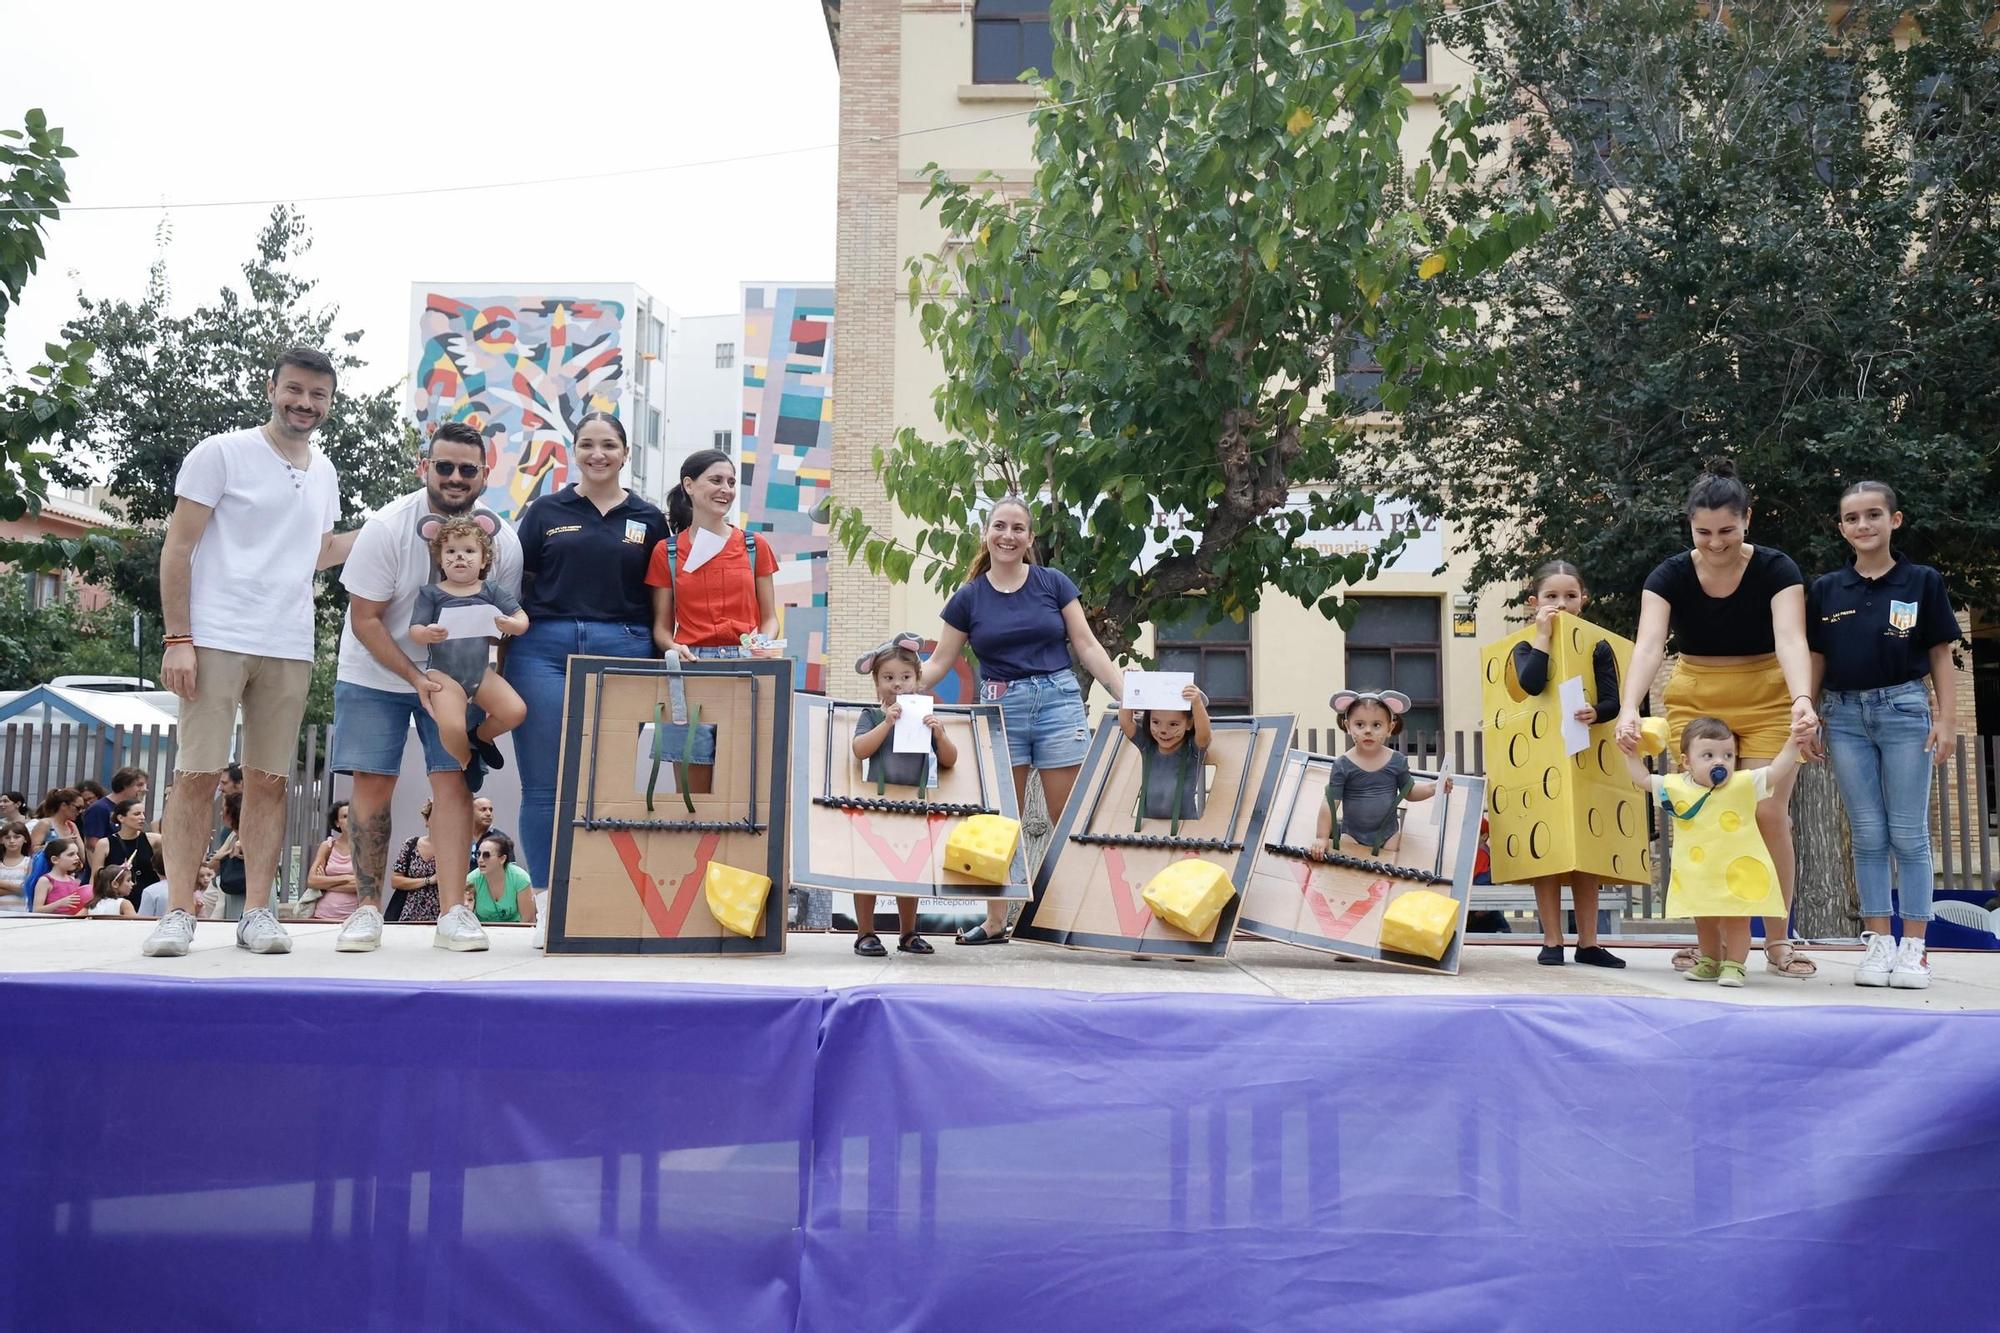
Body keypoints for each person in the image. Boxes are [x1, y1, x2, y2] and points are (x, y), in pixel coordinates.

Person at [144, 347, 354, 959]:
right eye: (295, 390)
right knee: (196, 776)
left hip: (288, 642)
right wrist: (178, 638)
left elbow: (314, 553)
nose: (305, 404)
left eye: (318, 395)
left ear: (330, 402)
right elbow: (177, 548)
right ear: (272, 388)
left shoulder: (324, 470)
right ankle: (179, 910)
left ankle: (258, 911)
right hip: (214, 636)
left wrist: (401, 526)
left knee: (270, 781)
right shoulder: (222, 453)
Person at [1614, 459, 1819, 978]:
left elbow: (1792, 638)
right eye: (1703, 532)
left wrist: (1801, 699)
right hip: (1697, 698)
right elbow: (1648, 645)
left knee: (1768, 814)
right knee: (1701, 817)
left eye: (1727, 530)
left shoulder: (1777, 569)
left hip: (1768, 693)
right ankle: (1710, 946)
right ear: (1690, 526)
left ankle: (1777, 941)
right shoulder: (1668, 575)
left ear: (1747, 519)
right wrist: (1629, 708)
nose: (1716, 542)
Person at [330, 420, 523, 955]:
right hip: (376, 668)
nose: (455, 477)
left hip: (456, 674)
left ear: (485, 474)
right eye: (445, 466)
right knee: (372, 784)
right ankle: (367, 911)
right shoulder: (389, 527)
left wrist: (486, 685)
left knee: (454, 783)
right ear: (425, 468)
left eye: (467, 468)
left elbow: (502, 625)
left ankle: (454, 912)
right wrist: (414, 677)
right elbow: (366, 619)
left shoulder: (502, 540)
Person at [916, 496, 1127, 945]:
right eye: (999, 527)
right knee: (999, 818)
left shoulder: (1053, 583)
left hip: (1057, 701)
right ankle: (995, 922)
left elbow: (1087, 646)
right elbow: (939, 663)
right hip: (1001, 709)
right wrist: (900, 677)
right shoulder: (968, 598)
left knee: (1067, 815)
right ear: (986, 534)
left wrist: (1126, 693)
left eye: (1017, 528)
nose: (1007, 536)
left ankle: (1085, 915)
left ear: (1030, 538)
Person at [504, 412, 669, 891]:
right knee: (544, 783)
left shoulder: (648, 519)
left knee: (618, 777)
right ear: (573, 451)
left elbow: (662, 597)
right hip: (543, 651)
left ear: (625, 453)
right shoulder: (544, 512)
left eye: (609, 445)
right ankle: (547, 897)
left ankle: (607, 893)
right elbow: (513, 584)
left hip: (625, 647)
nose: (598, 454)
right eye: (588, 445)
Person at [1808, 480, 1960, 990]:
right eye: (1852, 518)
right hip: (1843, 715)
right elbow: (1816, 657)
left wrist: (1947, 719)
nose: (1863, 525)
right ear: (1842, 528)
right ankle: (1877, 942)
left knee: (1909, 832)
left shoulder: (1921, 581)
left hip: (1903, 708)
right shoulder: (1827, 589)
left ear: (1894, 520)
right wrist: (1809, 713)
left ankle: (1915, 946)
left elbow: (1940, 651)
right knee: (1868, 832)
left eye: (1874, 515)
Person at [1505, 561, 1626, 968]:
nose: (1561, 604)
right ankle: (1552, 939)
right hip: (1540, 764)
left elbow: (1613, 699)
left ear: (1584, 601)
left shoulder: (1598, 645)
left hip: (1586, 759)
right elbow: (1531, 683)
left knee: (1586, 852)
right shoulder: (1523, 647)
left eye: (1570, 596)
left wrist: (1597, 711)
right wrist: (1542, 637)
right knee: (1550, 853)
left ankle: (1589, 941)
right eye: (1551, 596)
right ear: (1533, 602)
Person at [1621, 716, 1804, 987]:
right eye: (1708, 755)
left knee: (1737, 920)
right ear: (1686, 762)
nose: (1720, 762)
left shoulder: (1743, 783)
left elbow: (1776, 771)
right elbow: (1643, 779)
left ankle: (1735, 965)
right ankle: (1710, 961)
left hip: (1737, 874)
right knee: (1704, 920)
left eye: (1728, 755)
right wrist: (1630, 754)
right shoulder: (1676, 786)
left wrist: (1792, 742)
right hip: (1700, 875)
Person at [849, 632, 960, 957]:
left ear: (918, 681)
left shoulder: (927, 716)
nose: (897, 684)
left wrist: (939, 734)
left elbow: (950, 760)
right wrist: (887, 723)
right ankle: (865, 932)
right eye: (888, 678)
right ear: (876, 683)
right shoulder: (872, 716)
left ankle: (909, 932)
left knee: (910, 869)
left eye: (905, 677)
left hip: (914, 803)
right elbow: (859, 749)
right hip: (876, 802)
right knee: (869, 867)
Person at [407, 514, 529, 776]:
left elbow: (522, 618)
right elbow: (415, 631)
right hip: (444, 675)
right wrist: (427, 633)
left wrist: (512, 625)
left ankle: (482, 736)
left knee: (515, 711)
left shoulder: (491, 590)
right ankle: (467, 760)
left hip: (481, 672)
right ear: (440, 557)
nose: (460, 557)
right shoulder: (432, 593)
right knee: (451, 728)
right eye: (451, 550)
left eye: (469, 550)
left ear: (484, 558)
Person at [648, 447, 780, 660]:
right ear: (688, 485)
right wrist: (673, 647)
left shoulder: (754, 545)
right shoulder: (667, 552)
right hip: (692, 661)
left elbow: (770, 618)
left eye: (731, 482)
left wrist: (762, 646)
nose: (726, 489)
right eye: (716, 480)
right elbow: (661, 628)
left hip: (747, 659)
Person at [1310, 691, 1451, 858]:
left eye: (1376, 725)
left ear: (1390, 728)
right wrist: (1321, 837)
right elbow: (1331, 802)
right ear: (1348, 726)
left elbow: (1410, 792)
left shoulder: (1397, 761)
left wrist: (1433, 787)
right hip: (1352, 834)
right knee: (1349, 870)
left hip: (1387, 834)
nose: (1368, 731)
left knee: (1388, 872)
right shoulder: (1343, 764)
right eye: (1360, 725)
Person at [1118, 682, 1213, 826]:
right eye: (1156, 722)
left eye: (1173, 724)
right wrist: (1130, 688)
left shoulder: (1192, 750)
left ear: (1189, 724)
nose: (1163, 730)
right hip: (1149, 826)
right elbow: (1126, 722)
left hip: (1184, 827)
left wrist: (1197, 703)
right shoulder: (1147, 746)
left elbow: (1204, 734)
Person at [89, 798, 162, 894]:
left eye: (143, 813)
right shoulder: (104, 844)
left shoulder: (154, 840)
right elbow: (95, 877)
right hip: (117, 898)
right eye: (137, 814)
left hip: (148, 897)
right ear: (121, 818)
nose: (142, 817)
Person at [388, 800, 442, 924]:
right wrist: (429, 880)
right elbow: (396, 881)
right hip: (408, 912)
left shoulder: (453, 848)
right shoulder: (411, 844)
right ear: (427, 820)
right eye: (435, 817)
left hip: (441, 914)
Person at [307, 801, 361, 923]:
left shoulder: (365, 849)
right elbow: (312, 881)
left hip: (354, 918)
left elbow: (363, 886)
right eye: (345, 816)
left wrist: (326, 883)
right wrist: (347, 878)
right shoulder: (328, 846)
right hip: (322, 915)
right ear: (337, 822)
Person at [467, 833, 536, 925]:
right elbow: (465, 916)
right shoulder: (471, 879)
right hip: (483, 933)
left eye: (486, 855)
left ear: (502, 859)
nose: (480, 860)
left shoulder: (520, 878)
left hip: (516, 933)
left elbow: (528, 921)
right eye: (478, 854)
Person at [79, 767, 148, 855]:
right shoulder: (99, 808)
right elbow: (93, 844)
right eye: (139, 785)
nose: (145, 789)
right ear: (125, 785)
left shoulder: (131, 808)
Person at [205, 792, 247, 921]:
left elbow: (214, 863)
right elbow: (213, 864)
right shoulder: (233, 836)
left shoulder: (244, 838)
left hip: (242, 894)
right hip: (233, 890)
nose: (220, 814)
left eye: (223, 810)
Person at [32, 838, 90, 916]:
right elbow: (36, 910)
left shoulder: (72, 880)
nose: (77, 857)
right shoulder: (46, 880)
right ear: (55, 859)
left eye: (77, 854)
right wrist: (60, 903)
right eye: (71, 854)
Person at [0, 820, 33, 911]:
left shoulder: (30, 862)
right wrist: (17, 888)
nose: (12, 841)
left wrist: (2, 883)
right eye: (7, 837)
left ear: (25, 839)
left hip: (20, 913)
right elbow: (22, 888)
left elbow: (27, 889)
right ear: (1, 840)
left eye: (16, 837)